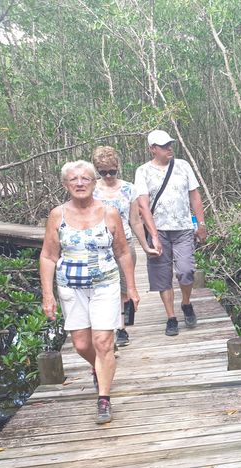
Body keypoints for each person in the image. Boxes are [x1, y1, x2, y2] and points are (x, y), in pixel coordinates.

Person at [39, 160, 140, 424]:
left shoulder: (109, 213)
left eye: (85, 178)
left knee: (103, 342)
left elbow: (122, 252)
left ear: (94, 183)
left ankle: (103, 399)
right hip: (71, 287)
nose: (80, 183)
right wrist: (47, 295)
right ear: (65, 185)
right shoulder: (57, 215)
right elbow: (49, 256)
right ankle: (100, 368)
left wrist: (130, 287)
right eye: (74, 179)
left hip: (105, 284)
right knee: (82, 344)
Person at [134, 130, 207, 336]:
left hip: (183, 228)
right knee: (162, 276)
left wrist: (200, 223)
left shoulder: (183, 166)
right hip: (159, 230)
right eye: (164, 145)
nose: (169, 148)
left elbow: (194, 196)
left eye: (170, 144)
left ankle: (185, 303)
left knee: (185, 270)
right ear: (152, 149)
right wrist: (153, 235)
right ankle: (171, 317)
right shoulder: (143, 171)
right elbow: (143, 205)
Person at [92, 146, 151, 347]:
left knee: (124, 289)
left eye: (112, 171)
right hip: (100, 247)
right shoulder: (91, 189)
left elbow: (135, 221)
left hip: (124, 244)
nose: (108, 176)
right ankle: (117, 328)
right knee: (107, 288)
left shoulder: (129, 188)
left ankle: (122, 323)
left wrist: (145, 246)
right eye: (103, 172)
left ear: (118, 167)